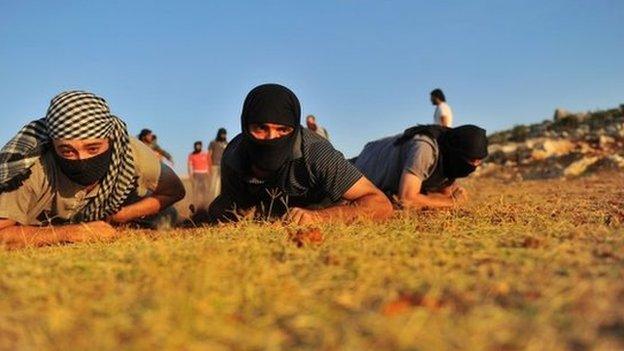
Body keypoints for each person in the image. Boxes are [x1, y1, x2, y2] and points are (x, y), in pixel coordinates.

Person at [0, 91, 186, 248]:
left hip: (111, 213)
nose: (82, 160)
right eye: (67, 150)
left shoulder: (129, 151)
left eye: (93, 148)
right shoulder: (29, 169)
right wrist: (73, 233)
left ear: (110, 140)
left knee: (167, 217)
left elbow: (174, 190)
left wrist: (120, 216)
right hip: (52, 225)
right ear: (52, 144)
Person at [201, 84, 392, 225]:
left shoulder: (316, 152)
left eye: (283, 130)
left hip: (323, 208)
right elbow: (234, 206)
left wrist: (319, 217)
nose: (271, 138)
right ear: (245, 126)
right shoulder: (233, 156)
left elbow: (380, 204)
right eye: (261, 128)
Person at [353, 124, 488, 209]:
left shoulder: (450, 158)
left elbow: (442, 196)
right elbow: (406, 199)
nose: (475, 165)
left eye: (479, 161)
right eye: (472, 160)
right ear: (457, 153)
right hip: (363, 165)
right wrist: (453, 202)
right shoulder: (425, 149)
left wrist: (452, 198)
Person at [187, 141, 211, 210]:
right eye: (196, 146)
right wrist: (190, 175)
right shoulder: (191, 155)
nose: (198, 147)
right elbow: (189, 165)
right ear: (194, 146)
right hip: (196, 174)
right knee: (195, 191)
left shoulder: (205, 154)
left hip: (205, 174)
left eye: (199, 145)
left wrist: (209, 174)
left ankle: (206, 204)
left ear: (201, 146)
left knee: (205, 191)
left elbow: (208, 164)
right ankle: (196, 205)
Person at [207, 128, 228, 200]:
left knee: (221, 184)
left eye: (224, 134)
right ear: (219, 134)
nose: (223, 136)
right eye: (222, 134)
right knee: (213, 184)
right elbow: (209, 155)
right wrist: (209, 166)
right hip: (214, 166)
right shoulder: (213, 143)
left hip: (224, 166)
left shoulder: (227, 143)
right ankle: (211, 199)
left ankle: (220, 199)